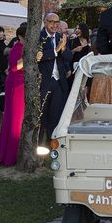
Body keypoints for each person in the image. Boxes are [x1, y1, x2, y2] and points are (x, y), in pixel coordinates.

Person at [0, 24, 26, 166]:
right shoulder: (16, 48)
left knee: (19, 120)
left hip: (23, 84)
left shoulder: (25, 48)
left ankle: (18, 152)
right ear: (20, 36)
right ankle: (9, 155)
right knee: (14, 120)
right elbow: (14, 67)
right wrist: (30, 58)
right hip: (15, 85)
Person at [38, 12, 73, 140]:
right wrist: (56, 50)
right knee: (41, 116)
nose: (54, 24)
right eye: (51, 21)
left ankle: (52, 143)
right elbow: (39, 57)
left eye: (56, 22)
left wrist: (63, 49)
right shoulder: (38, 37)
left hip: (59, 82)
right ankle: (37, 144)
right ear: (45, 21)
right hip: (44, 82)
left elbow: (69, 57)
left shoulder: (60, 37)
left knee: (55, 115)